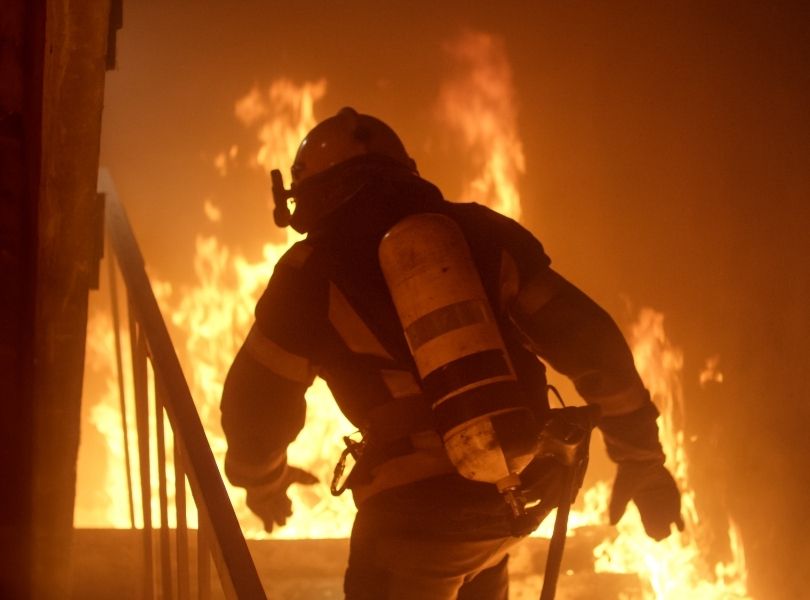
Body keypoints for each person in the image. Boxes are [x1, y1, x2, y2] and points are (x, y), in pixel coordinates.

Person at [220, 107, 683, 599]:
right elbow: (592, 344)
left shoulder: (309, 273)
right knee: (477, 550)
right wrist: (642, 458)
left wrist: (262, 480)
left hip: (413, 525)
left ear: (310, 194)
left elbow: (256, 402)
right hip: (516, 495)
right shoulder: (484, 233)